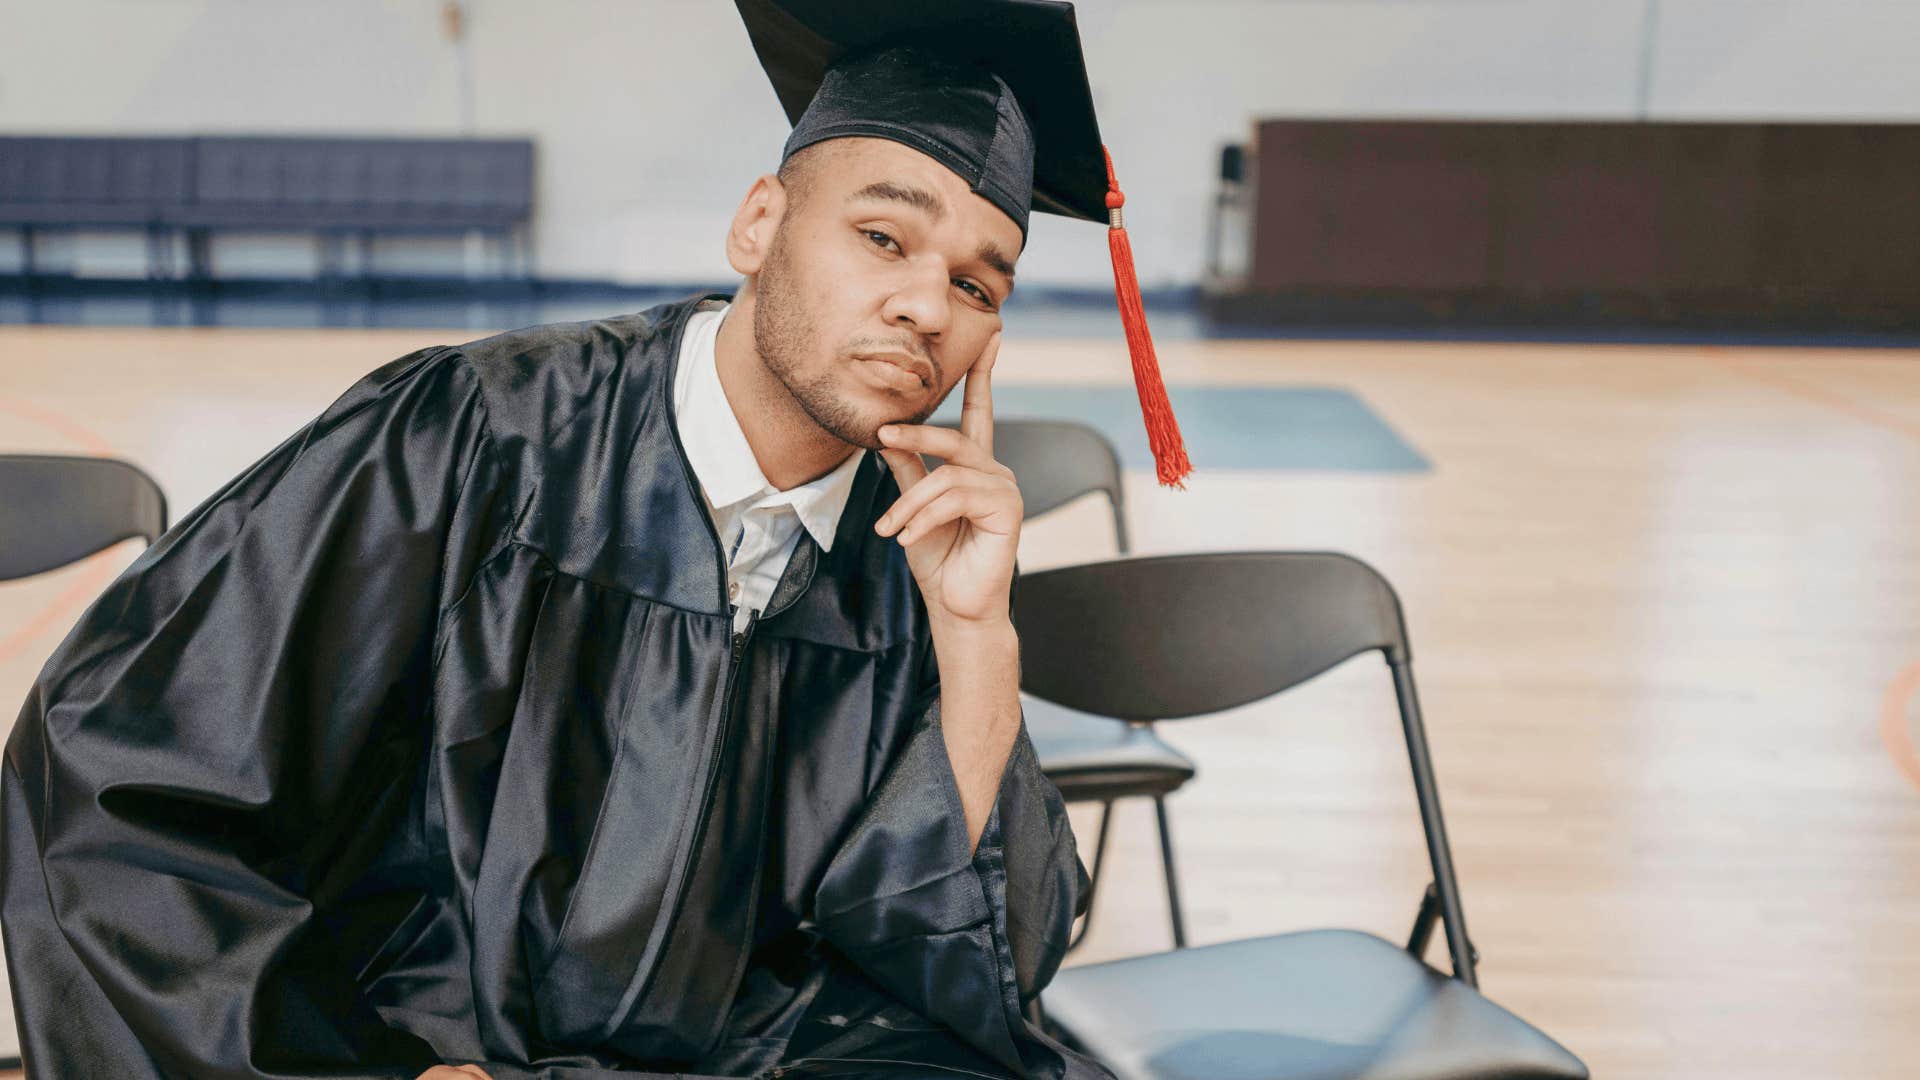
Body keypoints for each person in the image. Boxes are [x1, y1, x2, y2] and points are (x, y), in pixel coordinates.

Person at [1, 2, 1188, 1077]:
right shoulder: (471, 440)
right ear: (760, 223)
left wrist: (980, 644)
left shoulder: (915, 556)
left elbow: (961, 977)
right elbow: (118, 780)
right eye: (884, 237)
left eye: (981, 287)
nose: (929, 306)